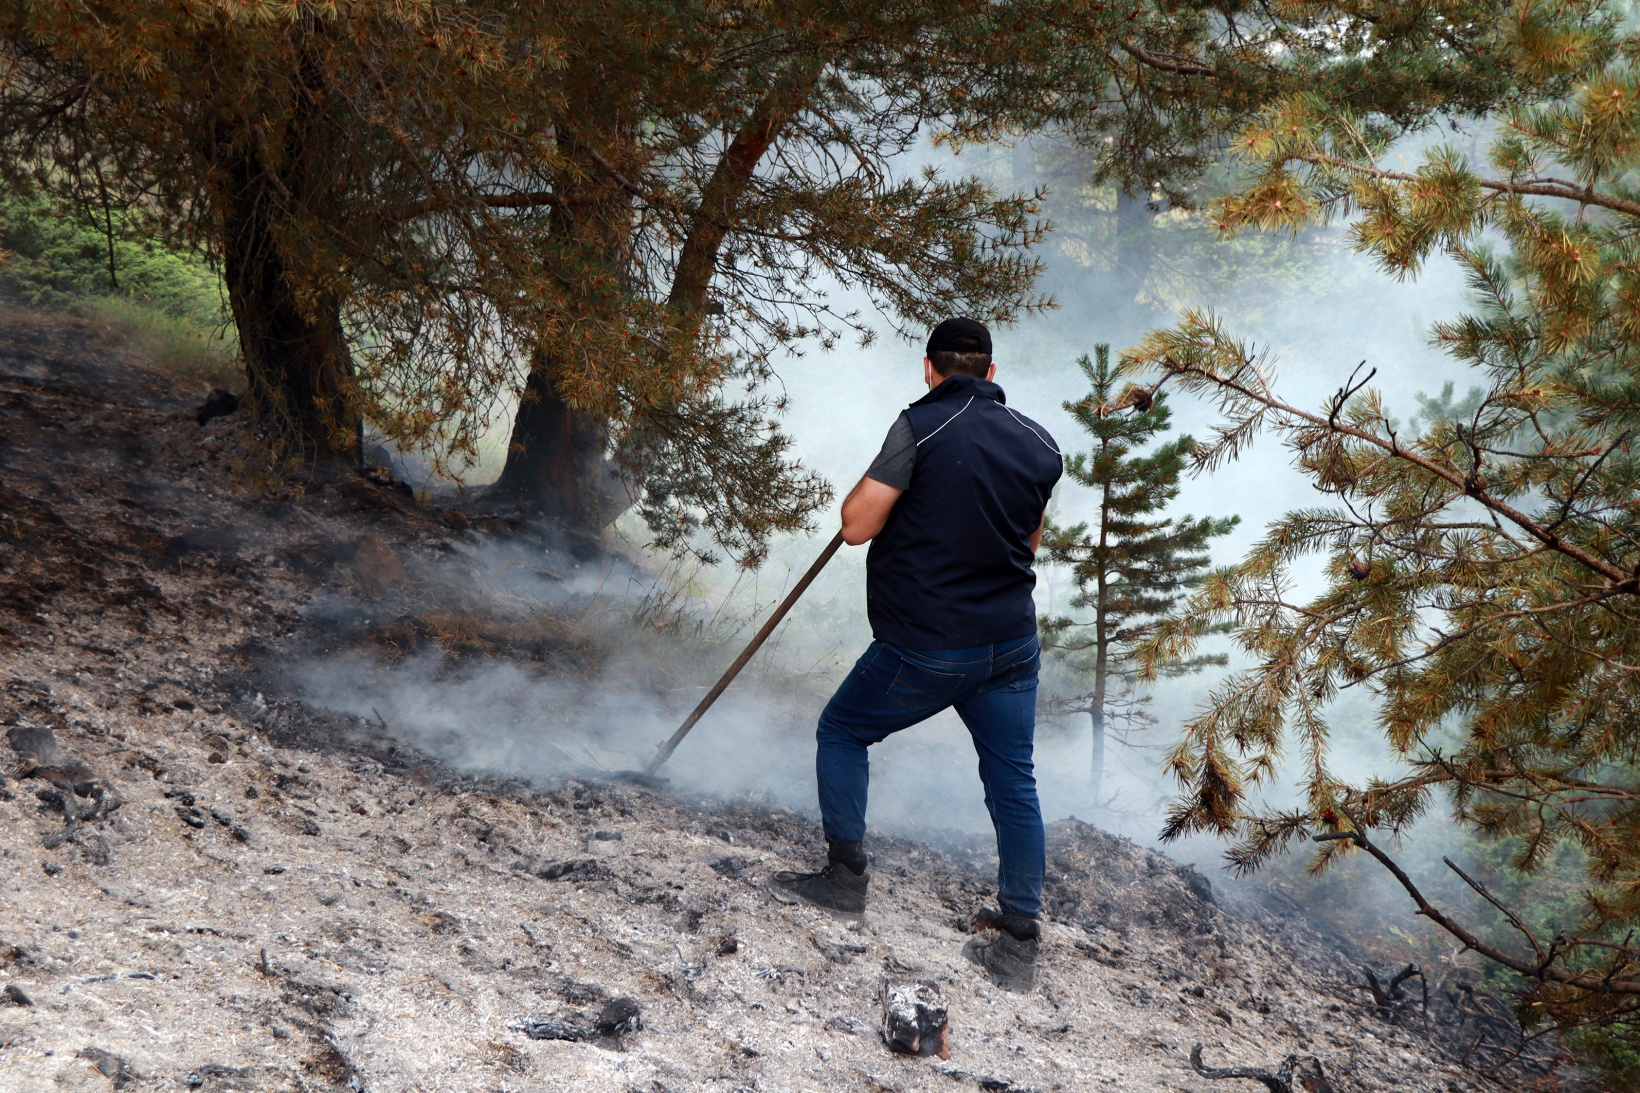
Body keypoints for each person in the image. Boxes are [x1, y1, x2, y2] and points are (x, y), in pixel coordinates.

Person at [770, 316, 1062, 991]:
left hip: (930, 645)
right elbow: (1028, 542)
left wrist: (901, 499)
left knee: (842, 730)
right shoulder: (1037, 442)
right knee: (1014, 780)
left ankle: (845, 878)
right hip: (1012, 647)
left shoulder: (919, 426)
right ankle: (1019, 936)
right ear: (990, 373)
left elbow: (855, 525)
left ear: (929, 369)